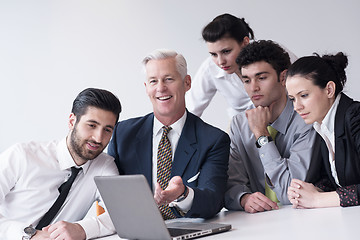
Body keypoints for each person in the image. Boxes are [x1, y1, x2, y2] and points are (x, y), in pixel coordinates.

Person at [108, 49, 230, 219]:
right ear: (146, 88)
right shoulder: (122, 134)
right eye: (153, 81)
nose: (160, 88)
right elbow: (111, 194)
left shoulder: (214, 140)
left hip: (188, 232)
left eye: (169, 79)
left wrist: (183, 194)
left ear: (187, 83)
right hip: (136, 231)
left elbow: (213, 201)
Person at [0, 88, 122, 240]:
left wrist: (82, 229)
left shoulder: (104, 166)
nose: (98, 138)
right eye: (91, 125)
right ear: (72, 121)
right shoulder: (22, 155)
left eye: (107, 130)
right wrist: (29, 235)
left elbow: (121, 215)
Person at [225, 40, 317, 213]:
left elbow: (288, 193)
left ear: (283, 78)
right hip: (259, 225)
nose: (253, 88)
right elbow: (231, 184)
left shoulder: (306, 119)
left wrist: (261, 135)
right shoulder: (239, 123)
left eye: (262, 78)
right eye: (246, 80)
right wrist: (243, 198)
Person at [186, 13, 297, 120]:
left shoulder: (273, 52)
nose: (220, 62)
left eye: (226, 51)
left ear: (245, 42)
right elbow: (191, 109)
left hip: (290, 119)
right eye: (213, 54)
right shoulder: (210, 68)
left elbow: (306, 82)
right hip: (244, 126)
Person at [286, 52, 360, 208]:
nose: (296, 107)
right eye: (292, 99)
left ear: (329, 90)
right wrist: (306, 192)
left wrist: (317, 200)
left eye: (304, 95)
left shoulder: (355, 116)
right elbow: (337, 179)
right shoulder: (322, 125)